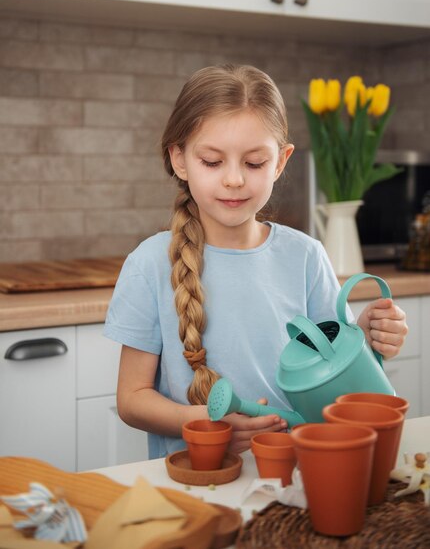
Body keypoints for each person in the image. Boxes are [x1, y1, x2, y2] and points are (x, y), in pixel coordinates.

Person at [104, 64, 408, 460]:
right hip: (199, 479)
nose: (234, 179)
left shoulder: (306, 256)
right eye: (212, 162)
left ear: (280, 162)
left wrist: (368, 341)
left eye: (254, 163)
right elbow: (131, 399)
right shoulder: (149, 264)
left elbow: (335, 380)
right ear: (179, 159)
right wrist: (203, 426)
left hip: (296, 472)